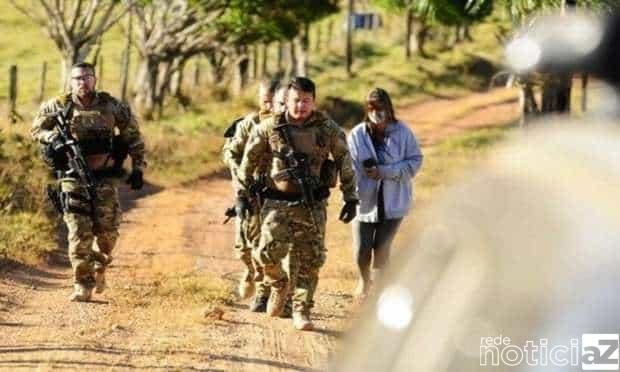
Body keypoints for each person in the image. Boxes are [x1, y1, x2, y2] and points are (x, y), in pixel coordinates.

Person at [237, 77, 359, 330]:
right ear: (286, 101)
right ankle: (279, 284)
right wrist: (243, 194)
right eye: (296, 101)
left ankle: (302, 311)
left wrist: (350, 197)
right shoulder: (270, 127)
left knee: (310, 259)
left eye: (306, 101)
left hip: (312, 204)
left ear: (314, 101)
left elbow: (344, 161)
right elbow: (248, 162)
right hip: (276, 203)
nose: (301, 106)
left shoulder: (327, 129)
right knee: (265, 254)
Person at [32, 62, 145, 302]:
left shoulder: (112, 106)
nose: (82, 82)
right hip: (72, 178)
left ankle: (99, 262)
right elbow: (37, 129)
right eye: (77, 78)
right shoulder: (58, 106)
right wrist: (53, 139)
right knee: (78, 232)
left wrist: (137, 168)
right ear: (70, 81)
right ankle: (82, 284)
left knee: (108, 234)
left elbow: (133, 136)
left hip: (104, 177)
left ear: (95, 79)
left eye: (86, 77)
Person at [347, 88, 423, 298]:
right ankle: (364, 280)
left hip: (394, 201)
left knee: (382, 248)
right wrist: (350, 194)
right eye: (371, 108)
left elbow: (415, 161)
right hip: (364, 200)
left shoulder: (403, 132)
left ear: (389, 108)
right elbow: (349, 168)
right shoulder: (357, 135)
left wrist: (386, 172)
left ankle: (380, 290)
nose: (376, 113)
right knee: (363, 249)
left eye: (380, 108)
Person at [222, 79, 279, 309]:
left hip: (274, 193)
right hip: (248, 191)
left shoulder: (284, 125)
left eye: (272, 98)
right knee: (244, 247)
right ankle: (249, 271)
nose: (268, 101)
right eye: (264, 97)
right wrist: (241, 183)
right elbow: (230, 154)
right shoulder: (248, 124)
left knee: (268, 245)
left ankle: (264, 291)